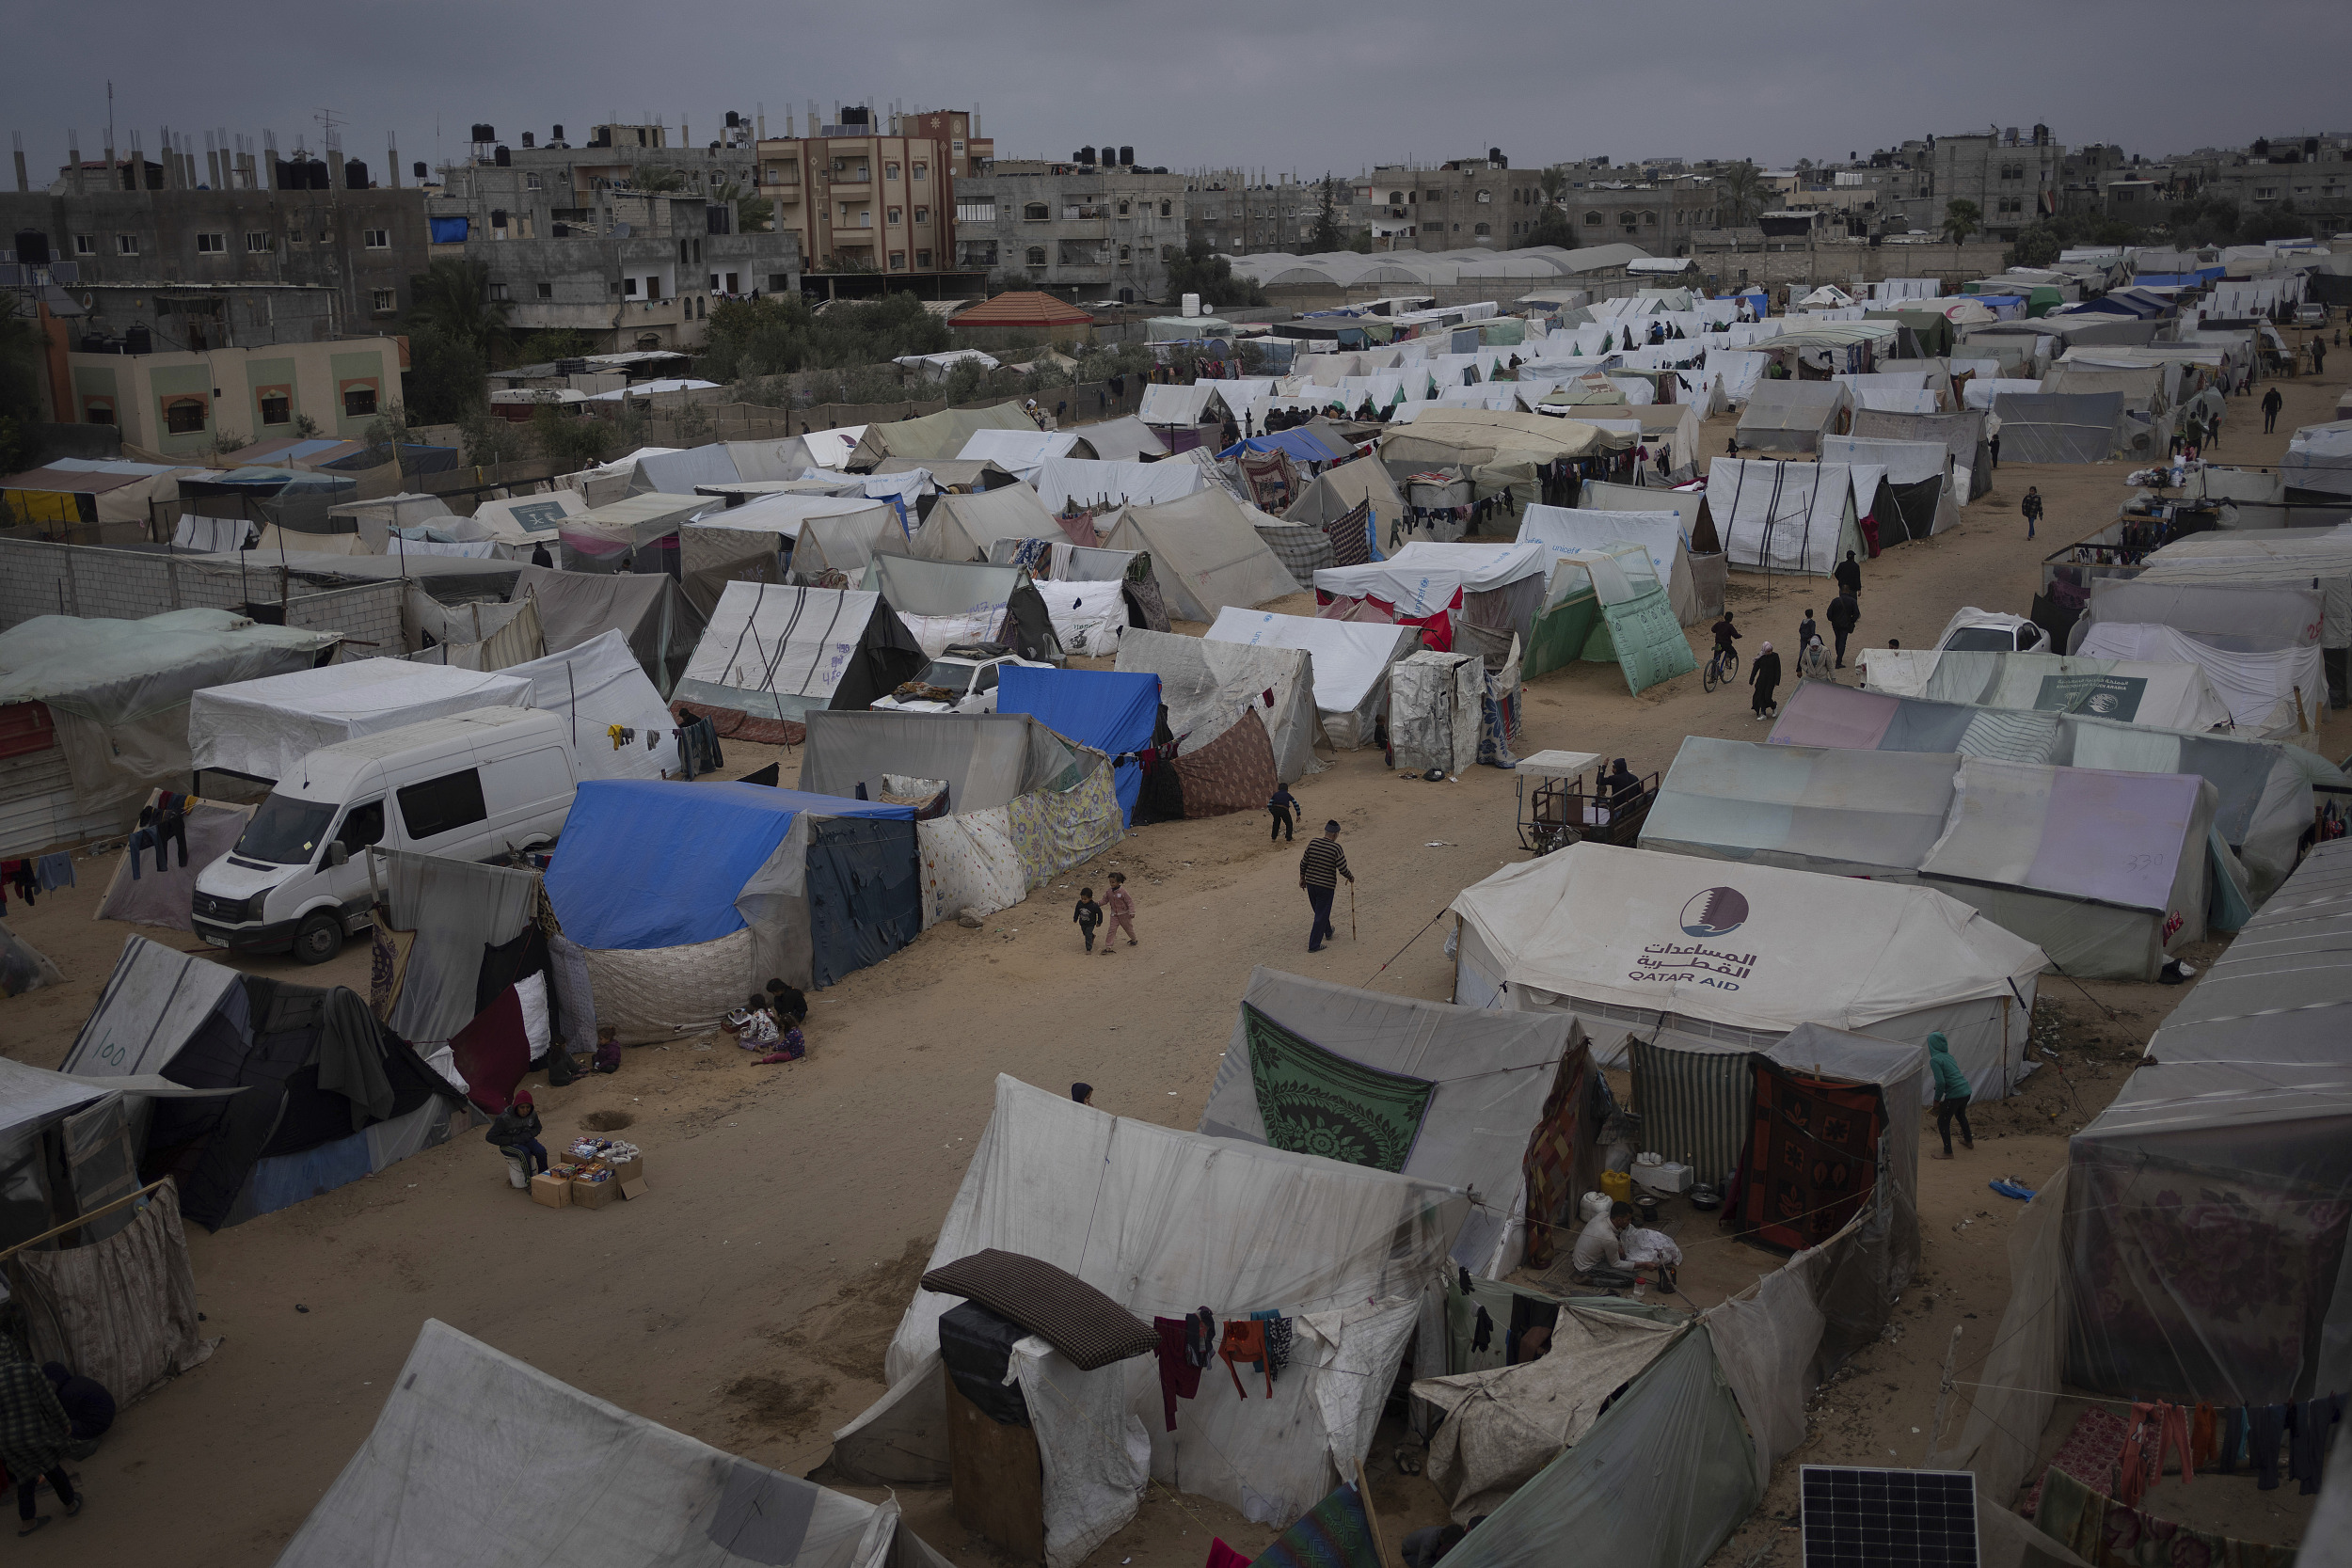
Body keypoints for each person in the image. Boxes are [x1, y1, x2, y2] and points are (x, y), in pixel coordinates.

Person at [0, 1347, 80, 1537]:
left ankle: (27, 1522)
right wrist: (64, 1422)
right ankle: (70, 1504)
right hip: (36, 1433)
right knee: (52, 1468)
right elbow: (49, 1400)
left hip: (9, 1440)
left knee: (24, 1477)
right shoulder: (30, 1370)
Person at [1299, 820, 1354, 953]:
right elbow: (1342, 868)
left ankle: (1328, 932)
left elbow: (1303, 862)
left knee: (1320, 912)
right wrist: (1350, 877)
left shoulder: (1313, 843)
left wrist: (1302, 878)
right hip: (1326, 886)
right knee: (1321, 914)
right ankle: (1314, 945)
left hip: (1311, 884)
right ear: (1335, 834)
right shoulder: (1336, 848)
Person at [41, 1365, 111, 1461]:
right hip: (107, 1415)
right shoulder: (77, 1380)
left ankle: (88, 1443)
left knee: (58, 1428)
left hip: (98, 1424)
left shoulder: (66, 1393)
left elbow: (64, 1419)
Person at [1929, 1031, 1974, 1159]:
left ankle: (1948, 1152)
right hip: (1966, 1091)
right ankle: (1968, 1140)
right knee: (1960, 1115)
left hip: (1955, 1094)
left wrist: (1936, 1100)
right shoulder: (1949, 1056)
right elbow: (1950, 1077)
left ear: (1932, 1045)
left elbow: (1941, 1081)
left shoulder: (1935, 1060)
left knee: (1942, 1121)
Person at [1570, 1200, 1635, 1281]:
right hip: (1585, 1267)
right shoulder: (1609, 1238)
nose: (1629, 1222)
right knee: (1630, 1278)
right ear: (1619, 1220)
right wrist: (1643, 1265)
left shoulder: (1603, 1214)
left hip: (1578, 1259)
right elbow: (1616, 1264)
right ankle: (1590, 1280)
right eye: (1628, 1220)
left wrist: (1618, 1248)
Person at [488, 1091, 548, 1177]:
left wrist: (529, 1134)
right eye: (522, 1107)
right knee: (524, 1153)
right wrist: (512, 1139)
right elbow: (490, 1137)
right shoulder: (504, 1118)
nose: (525, 1110)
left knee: (541, 1151)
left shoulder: (532, 1114)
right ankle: (529, 1181)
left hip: (525, 1139)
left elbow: (537, 1127)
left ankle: (544, 1177)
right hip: (508, 1144)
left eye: (528, 1107)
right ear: (516, 1107)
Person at [1099, 871, 1137, 954]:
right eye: (1110, 882)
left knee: (1128, 928)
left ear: (1119, 882)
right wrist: (1097, 904)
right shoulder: (1109, 892)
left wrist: (1132, 911)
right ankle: (1108, 947)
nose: (1111, 884)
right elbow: (1104, 900)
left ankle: (1134, 939)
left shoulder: (1123, 891)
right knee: (1111, 930)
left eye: (1113, 882)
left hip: (1124, 914)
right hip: (1114, 915)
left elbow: (1129, 902)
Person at [1748, 640, 1782, 721]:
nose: (1769, 653)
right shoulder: (1760, 658)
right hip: (1761, 680)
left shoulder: (1775, 656)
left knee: (1767, 696)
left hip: (1771, 681)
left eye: (1771, 651)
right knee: (1761, 696)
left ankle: (1773, 706)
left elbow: (1778, 669)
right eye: (1768, 651)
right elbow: (1755, 669)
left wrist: (1777, 681)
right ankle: (1763, 713)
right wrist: (1751, 679)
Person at [1826, 589, 1860, 668]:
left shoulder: (1835, 601)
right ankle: (1839, 660)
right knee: (1842, 642)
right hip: (1845, 625)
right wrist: (1851, 621)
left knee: (1837, 639)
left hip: (1836, 624)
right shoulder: (1852, 601)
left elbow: (1829, 613)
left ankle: (1839, 656)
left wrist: (1833, 620)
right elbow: (1856, 614)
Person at [1073, 887, 1104, 953]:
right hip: (1082, 922)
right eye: (1082, 898)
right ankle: (1092, 936)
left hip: (1091, 923)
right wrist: (1075, 918)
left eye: (1085, 899)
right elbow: (1077, 911)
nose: (1083, 900)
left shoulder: (1093, 905)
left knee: (1087, 934)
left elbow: (1100, 913)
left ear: (1090, 898)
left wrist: (1099, 922)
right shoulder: (1079, 903)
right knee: (1085, 933)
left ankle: (1088, 949)